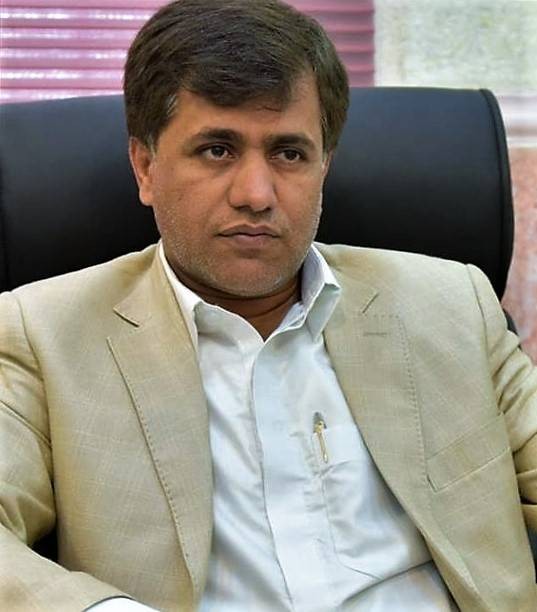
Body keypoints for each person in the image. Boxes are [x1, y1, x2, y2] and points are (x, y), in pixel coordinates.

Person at [1, 0, 536, 610]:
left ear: (324, 167)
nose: (256, 195)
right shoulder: (44, 334)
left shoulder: (451, 303)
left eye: (288, 153)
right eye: (217, 150)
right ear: (145, 168)